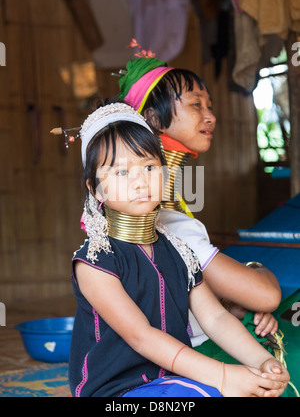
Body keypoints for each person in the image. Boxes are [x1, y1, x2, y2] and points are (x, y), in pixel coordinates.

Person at [67, 101, 289, 397]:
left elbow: (216, 318)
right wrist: (224, 377)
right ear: (95, 189)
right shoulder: (94, 262)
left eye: (149, 166)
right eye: (121, 172)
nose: (140, 181)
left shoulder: (176, 248)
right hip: (115, 392)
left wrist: (262, 363)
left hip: (172, 380)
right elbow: (142, 337)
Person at [117, 47, 281, 348]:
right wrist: (256, 270)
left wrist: (232, 305)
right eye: (196, 105)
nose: (211, 117)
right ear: (153, 118)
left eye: (210, 105)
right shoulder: (162, 220)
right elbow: (266, 294)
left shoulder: (158, 208)